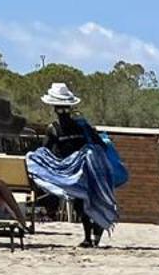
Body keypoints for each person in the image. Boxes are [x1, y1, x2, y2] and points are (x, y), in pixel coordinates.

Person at [31, 84, 118, 247]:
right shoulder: (53, 129)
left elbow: (99, 144)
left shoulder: (82, 126)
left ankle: (94, 233)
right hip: (71, 174)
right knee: (80, 204)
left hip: (89, 170)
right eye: (60, 110)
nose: (63, 113)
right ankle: (88, 235)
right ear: (54, 109)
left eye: (65, 109)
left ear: (70, 108)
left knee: (92, 201)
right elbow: (45, 151)